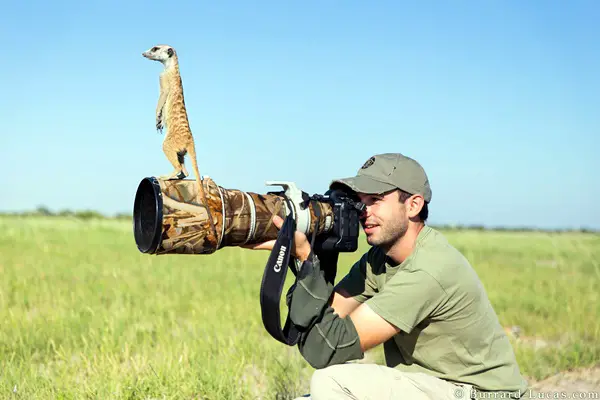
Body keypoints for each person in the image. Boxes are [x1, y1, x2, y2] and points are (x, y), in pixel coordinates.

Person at [245, 153, 528, 399]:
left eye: (376, 200)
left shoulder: (429, 269)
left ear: (414, 205)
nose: (362, 212)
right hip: (434, 387)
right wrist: (309, 251)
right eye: (359, 201)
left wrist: (307, 259)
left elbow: (328, 350)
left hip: (477, 392)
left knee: (330, 384)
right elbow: (321, 323)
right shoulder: (379, 260)